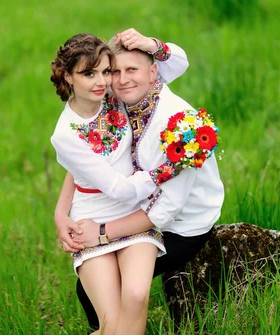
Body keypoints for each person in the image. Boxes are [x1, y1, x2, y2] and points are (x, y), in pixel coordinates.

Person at [58, 32, 225, 330]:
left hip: (180, 223)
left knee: (125, 287)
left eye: (132, 70)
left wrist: (102, 232)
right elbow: (88, 159)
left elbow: (165, 209)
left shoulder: (180, 125)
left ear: (153, 73)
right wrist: (61, 213)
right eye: (115, 71)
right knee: (94, 287)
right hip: (127, 205)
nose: (121, 80)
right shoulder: (114, 97)